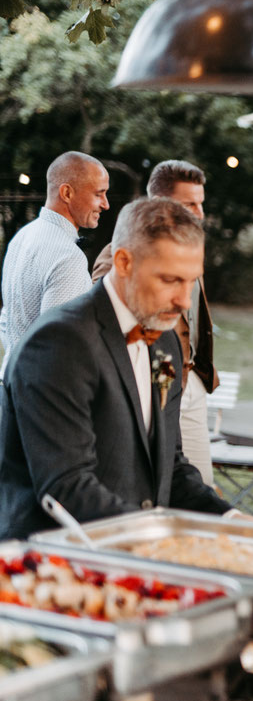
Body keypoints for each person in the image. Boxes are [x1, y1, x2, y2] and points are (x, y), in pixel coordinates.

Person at [0, 198, 235, 539]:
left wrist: (229, 518)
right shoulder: (59, 342)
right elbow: (67, 487)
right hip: (55, 560)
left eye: (191, 281)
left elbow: (171, 462)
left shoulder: (165, 341)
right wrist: (159, 538)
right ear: (124, 262)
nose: (185, 300)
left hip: (130, 552)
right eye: (171, 280)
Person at [91, 160, 217, 483]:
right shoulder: (121, 257)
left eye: (201, 203)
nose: (199, 214)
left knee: (198, 479)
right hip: (150, 381)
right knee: (156, 477)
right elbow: (111, 315)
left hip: (191, 381)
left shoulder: (187, 252)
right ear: (159, 204)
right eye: (190, 204)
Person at [0, 152, 109, 378]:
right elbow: (61, 347)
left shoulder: (21, 237)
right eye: (99, 194)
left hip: (10, 382)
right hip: (42, 395)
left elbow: (6, 320)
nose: (105, 205)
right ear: (67, 193)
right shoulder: (67, 257)